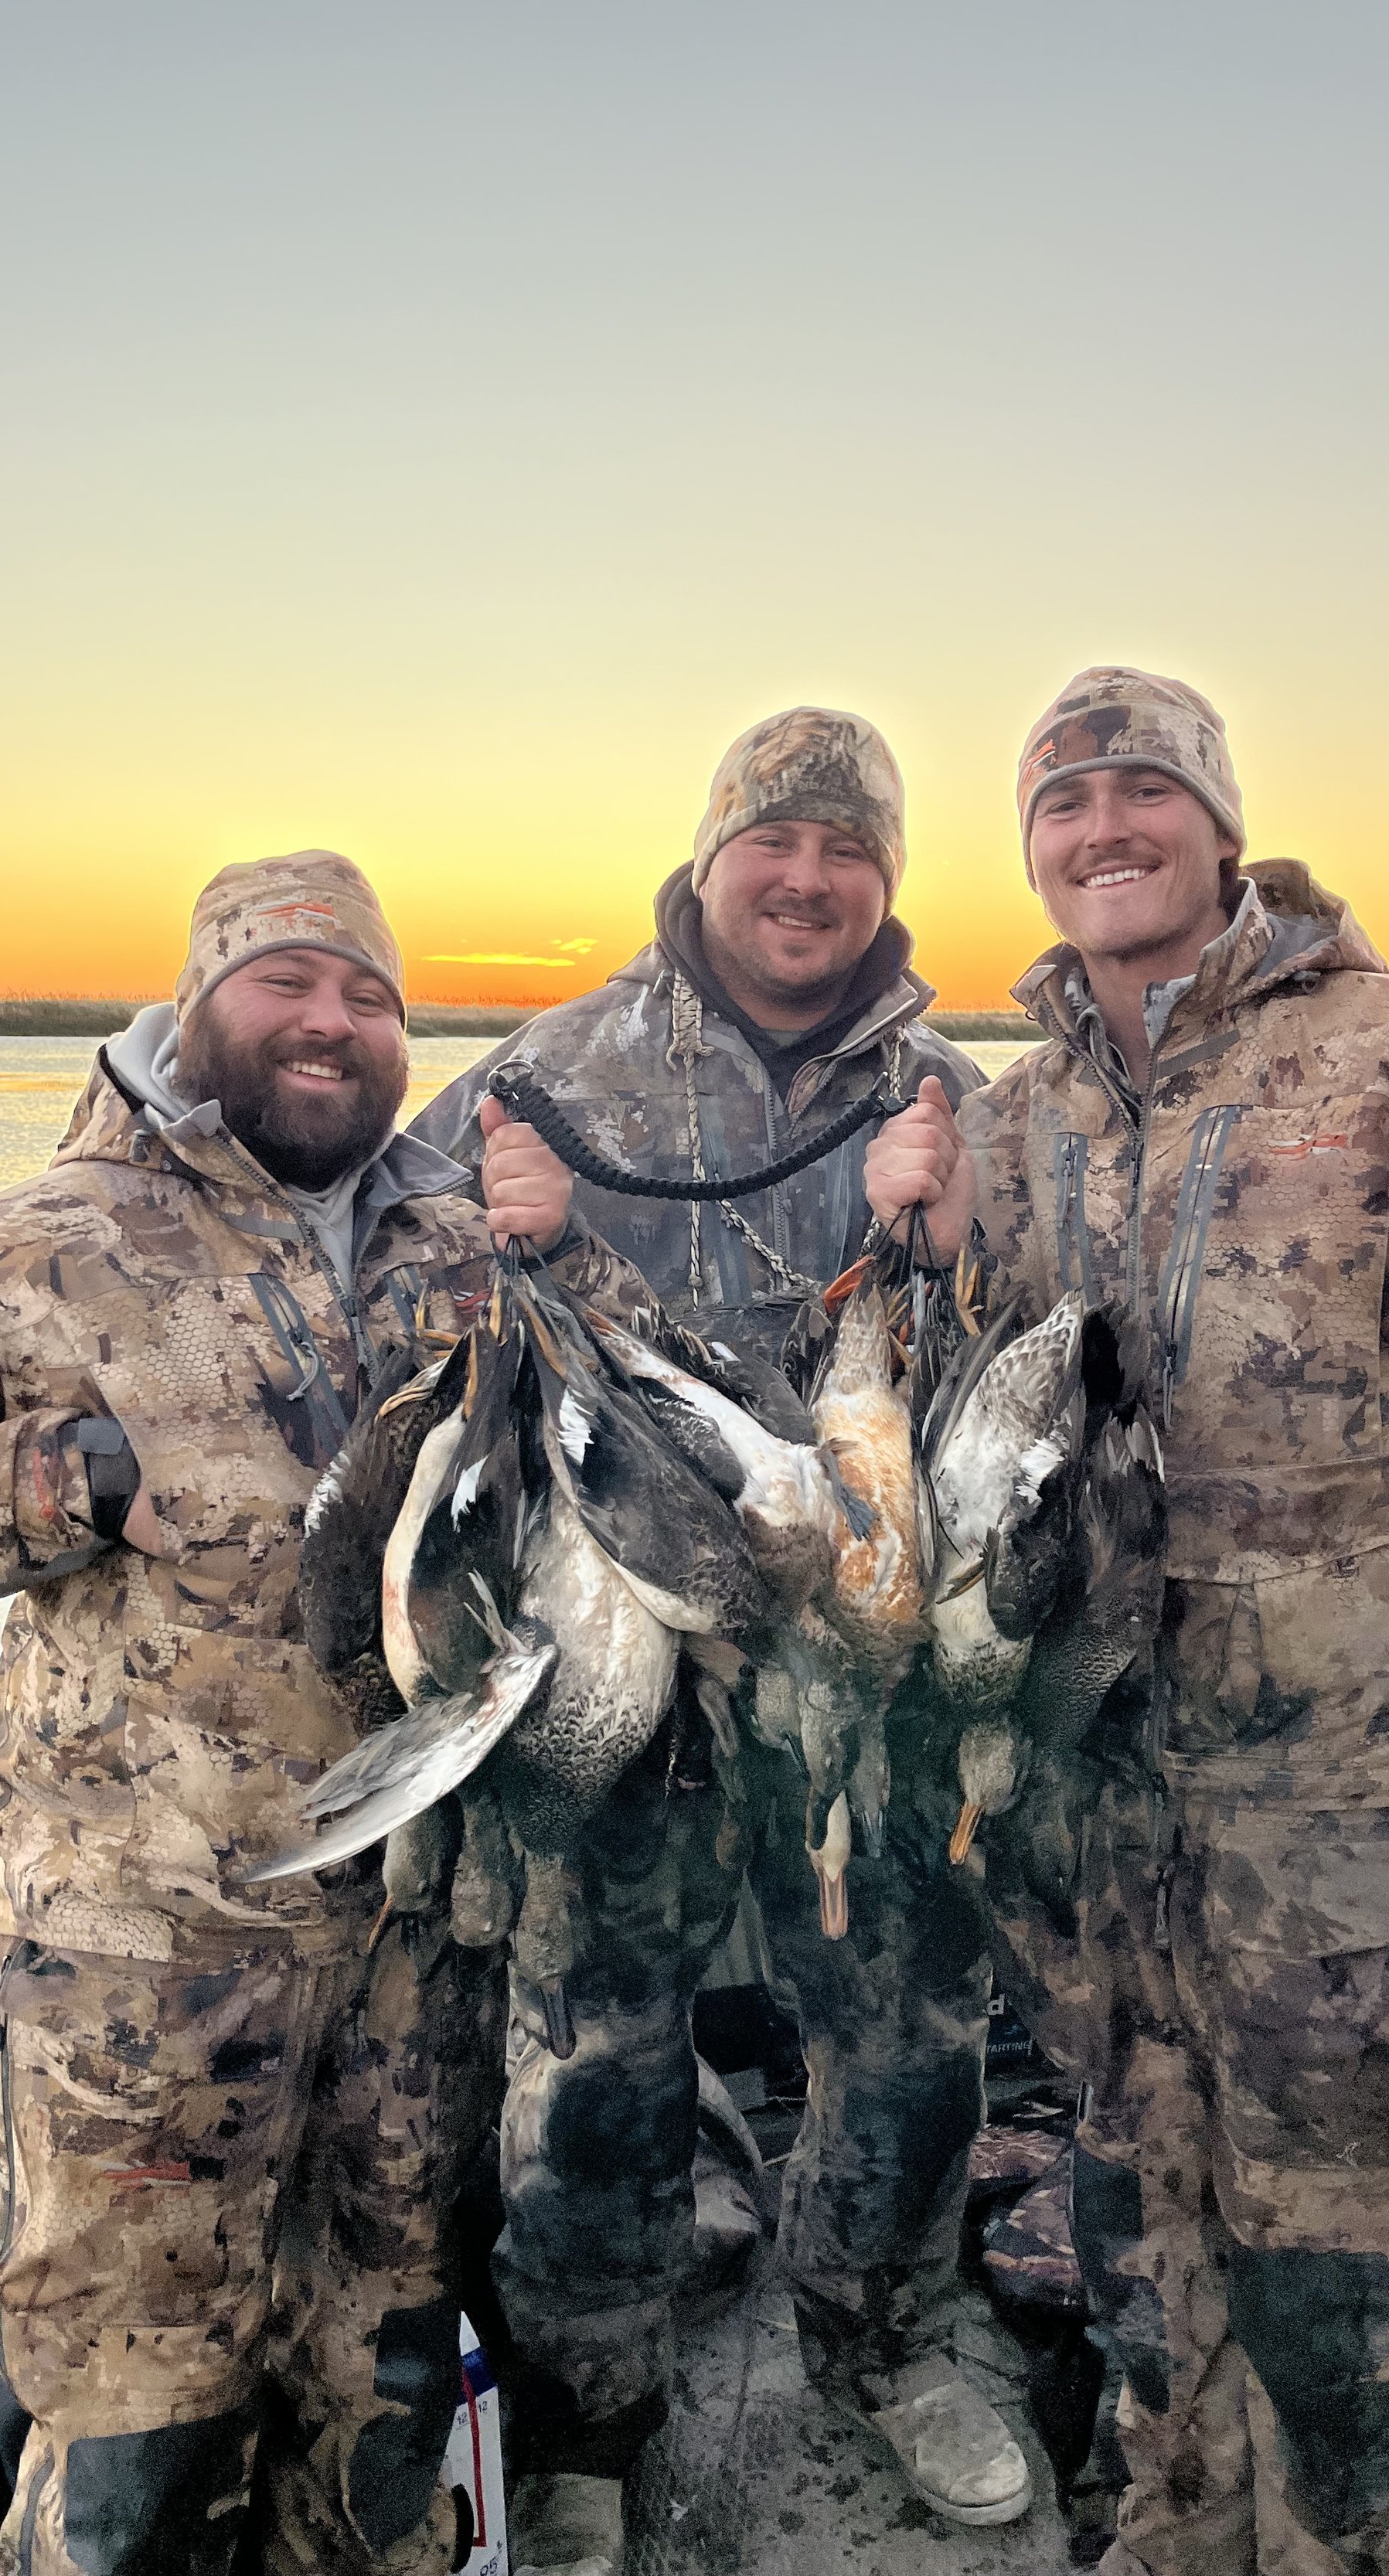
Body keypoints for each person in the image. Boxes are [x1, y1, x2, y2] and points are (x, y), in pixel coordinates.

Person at [862, 666, 1389, 2576]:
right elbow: (970, 1450)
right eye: (1061, 802)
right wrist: (925, 1250)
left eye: (1142, 789)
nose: (1102, 826)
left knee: (1334, 2293)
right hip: (1095, 1819)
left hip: (1354, 1822)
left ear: (1220, 825)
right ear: (1029, 850)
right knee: (1138, 2244)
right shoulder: (1017, 1115)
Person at [0, 850, 629, 2576]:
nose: (330, 1020)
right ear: (198, 1005)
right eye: (286, 980)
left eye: (368, 994)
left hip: (419, 1956)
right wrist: (54, 1478)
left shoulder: (466, 1246)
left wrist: (569, 1253)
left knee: (384, 2400)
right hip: (151, 1977)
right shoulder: (51, 1239)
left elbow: (652, 1440)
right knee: (134, 2441)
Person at [414, 708, 1025, 2571]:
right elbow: (384, 1302)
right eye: (777, 839)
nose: (807, 878)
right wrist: (487, 1240)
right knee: (594, 2052)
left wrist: (960, 1236)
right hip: (622, 1669)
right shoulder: (546, 1074)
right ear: (709, 853)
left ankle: (885, 2339)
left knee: (910, 2032)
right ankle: (588, 2417)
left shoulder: (947, 1094)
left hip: (866, 1676)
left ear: (887, 879)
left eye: (849, 849)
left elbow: (1044, 1374)